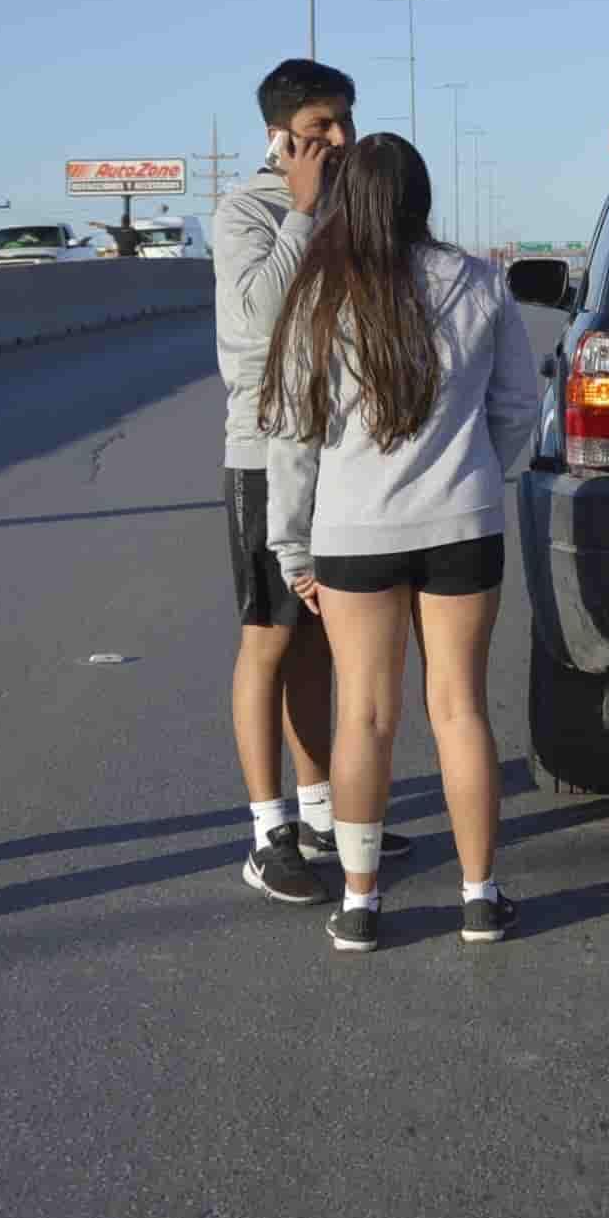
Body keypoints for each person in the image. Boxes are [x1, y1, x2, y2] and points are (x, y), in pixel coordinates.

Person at [263, 133, 538, 953]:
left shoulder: (317, 296)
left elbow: (292, 435)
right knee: (459, 709)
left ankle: (358, 903)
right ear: (421, 198)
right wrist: (479, 471)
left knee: (365, 715)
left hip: (353, 534)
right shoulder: (482, 282)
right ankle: (481, 898)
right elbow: (520, 407)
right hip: (462, 523)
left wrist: (291, 548)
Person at [212, 59, 411, 904]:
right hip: (266, 454)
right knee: (270, 637)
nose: (340, 140)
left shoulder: (347, 204)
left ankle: (325, 814)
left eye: (345, 124)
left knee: (324, 639)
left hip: (344, 455)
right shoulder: (246, 210)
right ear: (282, 132)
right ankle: (269, 830)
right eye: (324, 126)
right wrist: (299, 209)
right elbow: (257, 316)